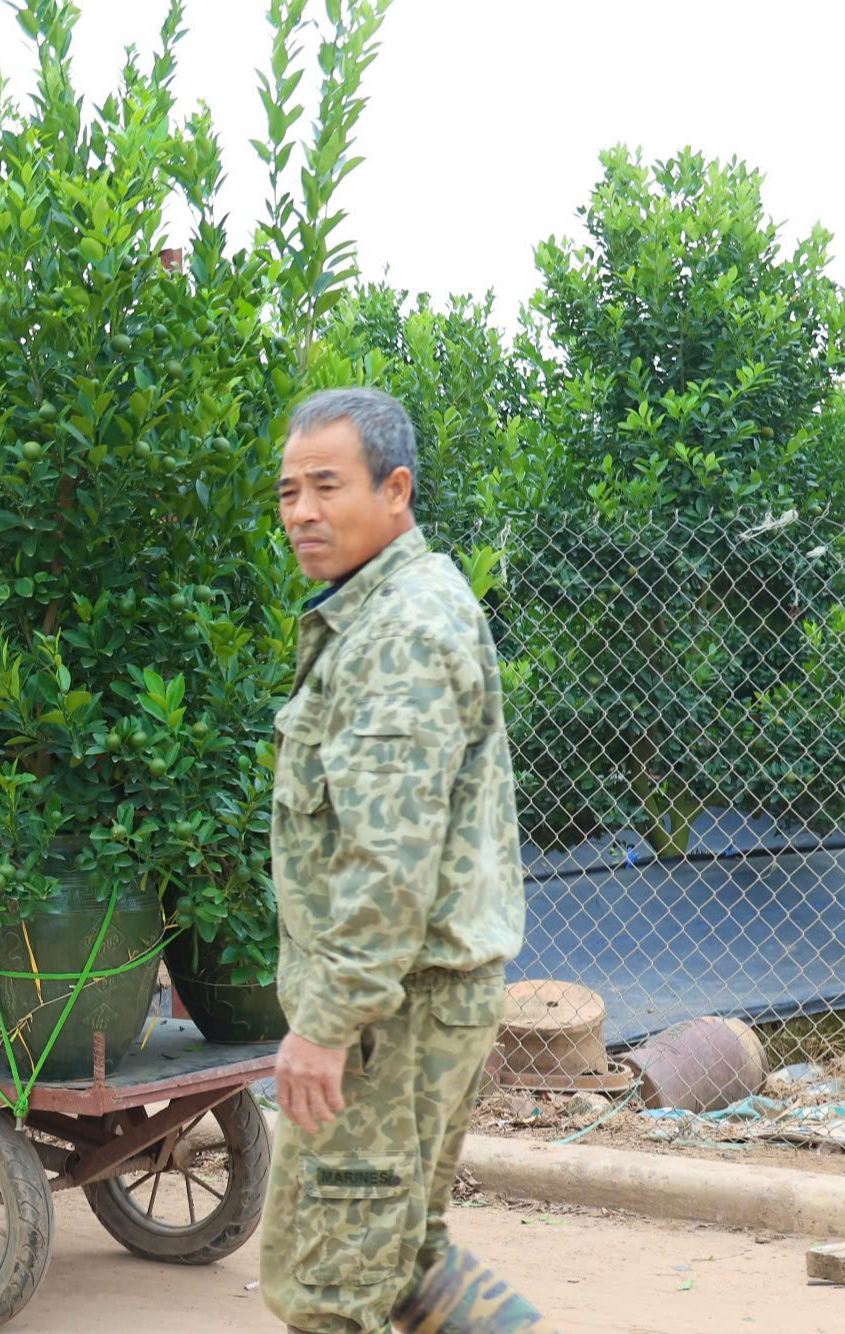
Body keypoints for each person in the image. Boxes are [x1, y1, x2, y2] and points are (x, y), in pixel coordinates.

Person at [258, 388, 550, 1333]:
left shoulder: (403, 632)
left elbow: (387, 860)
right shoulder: (376, 612)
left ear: (396, 490)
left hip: (393, 1012)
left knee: (332, 1288)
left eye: (325, 486)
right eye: (287, 491)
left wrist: (326, 1024)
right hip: (410, 999)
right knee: (406, 1254)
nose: (301, 512)